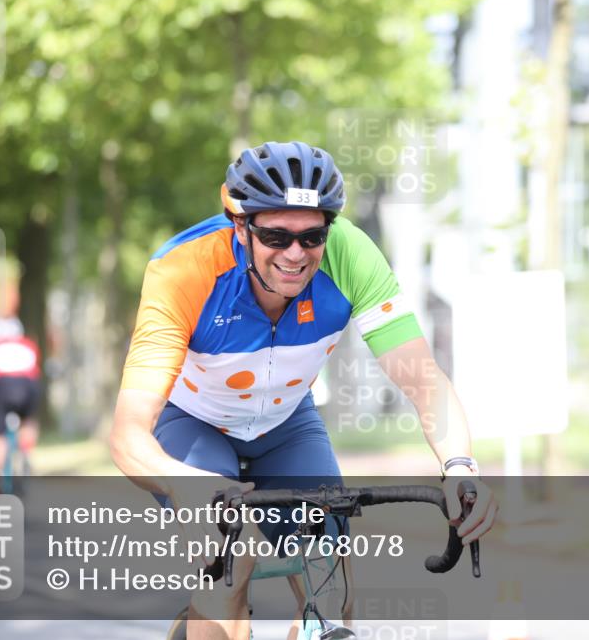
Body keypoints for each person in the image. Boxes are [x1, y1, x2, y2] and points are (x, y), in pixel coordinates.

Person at [110, 141, 497, 639]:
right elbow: (128, 435)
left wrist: (460, 468)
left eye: (312, 236)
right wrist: (185, 485)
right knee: (232, 558)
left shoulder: (351, 256)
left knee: (331, 581)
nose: (295, 254)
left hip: (286, 423)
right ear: (241, 227)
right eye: (276, 235)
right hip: (193, 422)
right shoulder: (183, 271)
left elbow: (424, 381)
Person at [0, 316, 41, 489]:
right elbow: (35, 371)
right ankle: (26, 451)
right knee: (28, 421)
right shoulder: (28, 345)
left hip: (2, 386)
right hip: (28, 385)